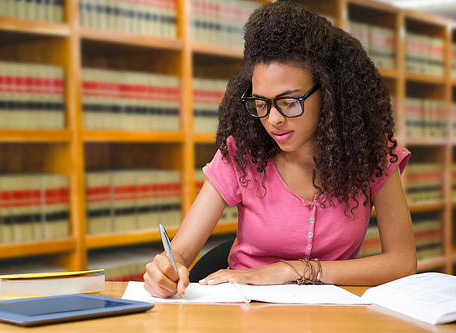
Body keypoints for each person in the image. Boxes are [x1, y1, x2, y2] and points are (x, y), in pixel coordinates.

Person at [143, 1, 417, 298]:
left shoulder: (372, 154)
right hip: (244, 308)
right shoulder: (241, 153)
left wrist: (293, 269)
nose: (273, 119)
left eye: (288, 102)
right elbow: (180, 253)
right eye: (261, 103)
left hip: (331, 314)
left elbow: (402, 262)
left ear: (328, 93)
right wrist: (167, 269)